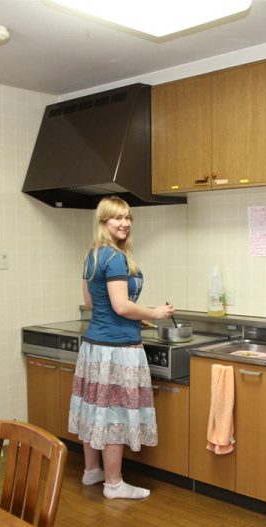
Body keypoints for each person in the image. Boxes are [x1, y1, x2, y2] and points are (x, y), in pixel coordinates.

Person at [68, 196, 175, 500]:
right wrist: (154, 313)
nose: (125, 223)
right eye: (117, 218)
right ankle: (114, 484)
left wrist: (133, 319)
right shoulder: (115, 258)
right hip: (117, 350)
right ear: (103, 222)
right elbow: (122, 305)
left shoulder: (92, 255)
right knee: (114, 413)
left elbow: (92, 303)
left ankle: (92, 471)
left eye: (128, 217)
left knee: (95, 409)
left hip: (94, 346)